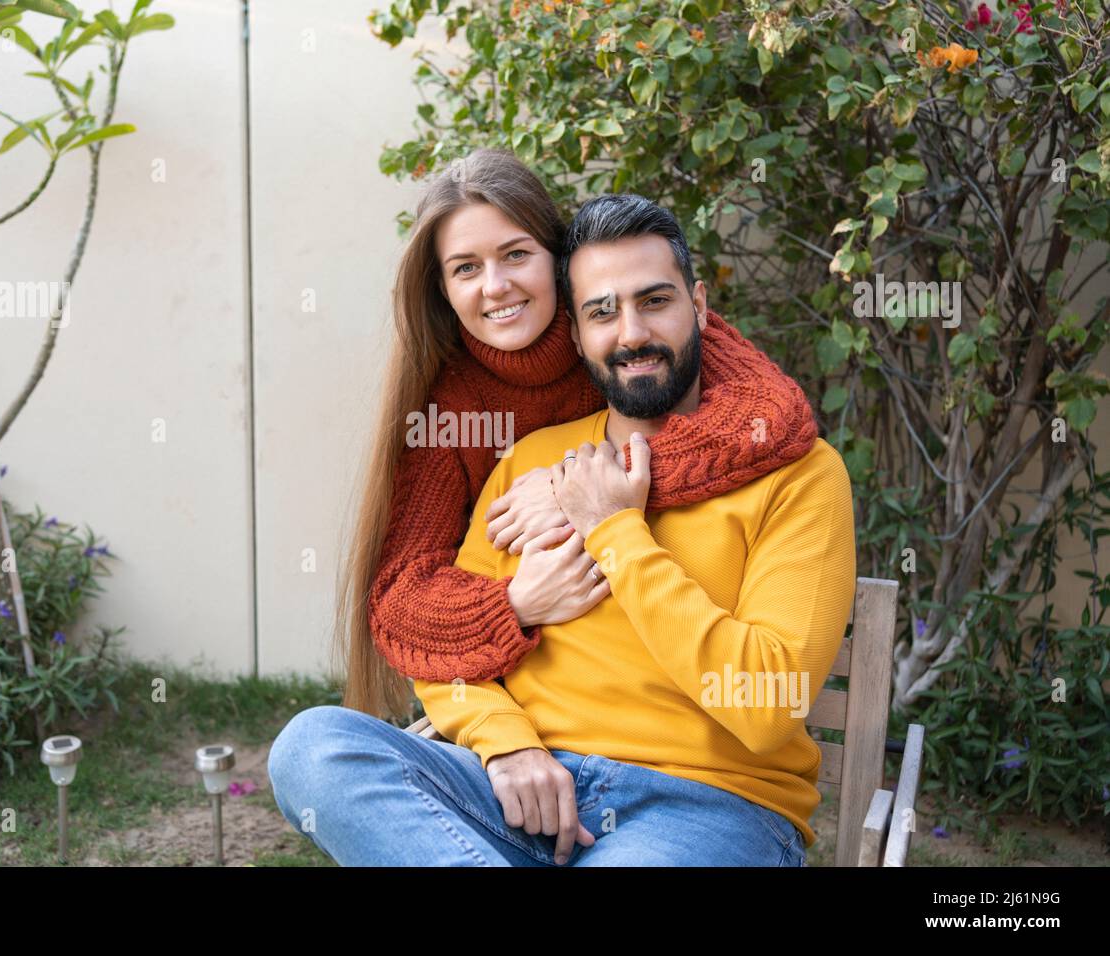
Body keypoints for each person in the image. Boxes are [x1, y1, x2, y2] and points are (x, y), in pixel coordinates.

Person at [269, 194, 857, 866]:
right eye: (602, 312)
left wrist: (616, 531)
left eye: (655, 301)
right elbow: (455, 653)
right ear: (576, 335)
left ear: (698, 307)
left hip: (702, 809)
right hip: (522, 799)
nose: (631, 333)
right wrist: (505, 741)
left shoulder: (800, 475)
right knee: (314, 748)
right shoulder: (531, 465)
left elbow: (763, 705)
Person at [333, 149, 819, 723]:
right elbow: (400, 604)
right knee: (316, 742)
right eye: (465, 268)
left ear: (555, 259)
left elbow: (770, 421)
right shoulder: (450, 410)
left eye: (516, 255)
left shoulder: (630, 334)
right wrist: (512, 604)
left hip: (656, 681)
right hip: (519, 676)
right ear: (441, 288)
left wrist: (584, 486)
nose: (495, 286)